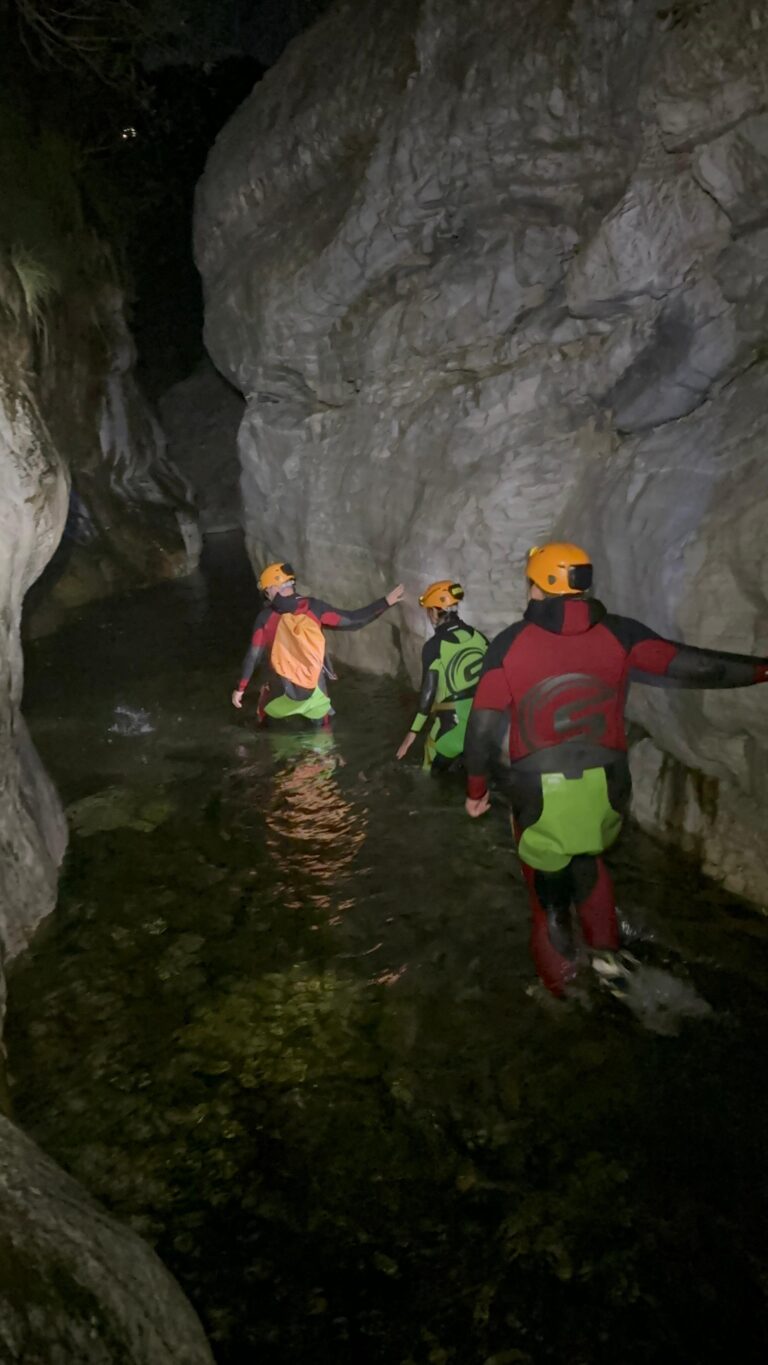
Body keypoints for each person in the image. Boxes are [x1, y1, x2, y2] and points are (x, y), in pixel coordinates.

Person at [463, 541, 768, 997]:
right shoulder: (621, 634)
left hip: (540, 789)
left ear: (539, 586)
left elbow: (481, 730)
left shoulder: (509, 645)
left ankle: (564, 994)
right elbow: (701, 667)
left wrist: (476, 790)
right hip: (608, 785)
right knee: (588, 860)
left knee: (547, 896)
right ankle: (608, 958)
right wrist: (764, 670)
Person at [232, 562, 405, 726]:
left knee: (265, 722)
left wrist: (240, 689)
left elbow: (253, 657)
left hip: (281, 689)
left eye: (266, 591)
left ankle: (266, 733)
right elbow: (353, 620)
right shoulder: (313, 607)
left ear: (273, 588)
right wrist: (386, 602)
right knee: (322, 730)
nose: (267, 596)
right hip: (314, 687)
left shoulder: (265, 618)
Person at [396, 580, 488, 772]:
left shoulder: (434, 647)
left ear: (435, 611)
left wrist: (412, 733)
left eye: (428, 610)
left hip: (451, 730)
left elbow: (427, 696)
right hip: (482, 726)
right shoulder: (479, 637)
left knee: (428, 774)